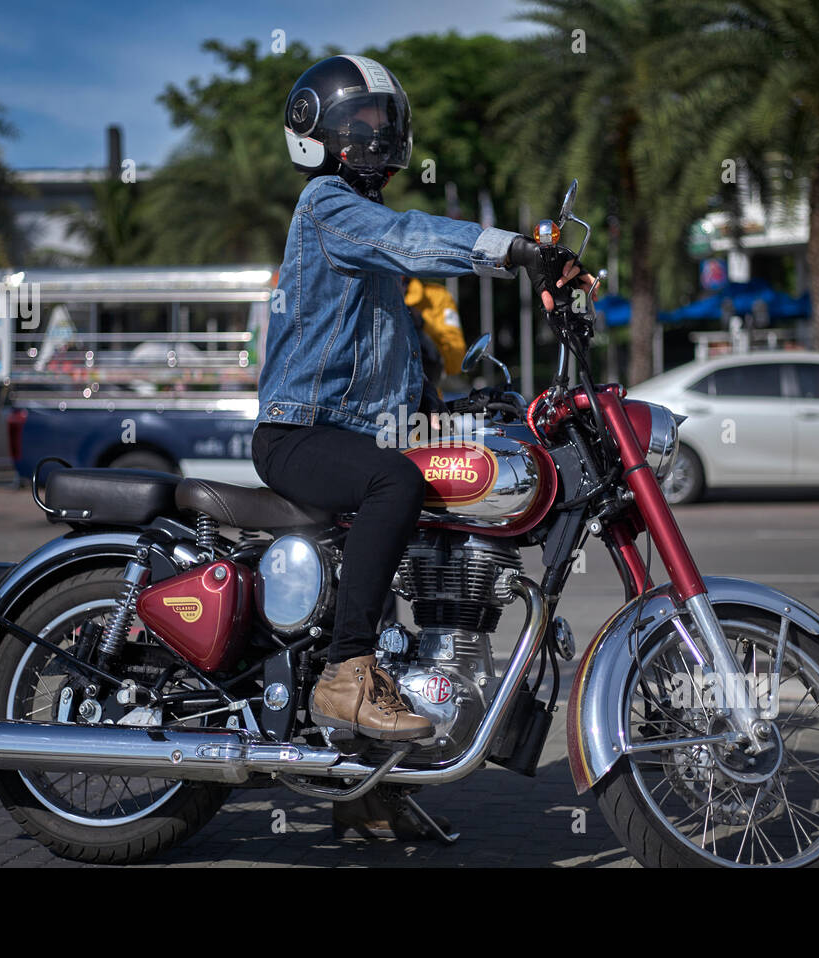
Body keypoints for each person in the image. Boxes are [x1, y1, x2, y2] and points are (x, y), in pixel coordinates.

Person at [252, 54, 596, 742]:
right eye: (361, 120)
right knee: (395, 482)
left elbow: (396, 358)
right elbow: (410, 237)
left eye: (383, 119)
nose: (376, 132)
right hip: (302, 431)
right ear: (316, 131)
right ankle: (347, 673)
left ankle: (374, 794)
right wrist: (518, 250)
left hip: (358, 431)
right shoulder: (329, 206)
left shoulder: (362, 227)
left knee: (458, 473)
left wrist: (474, 410)